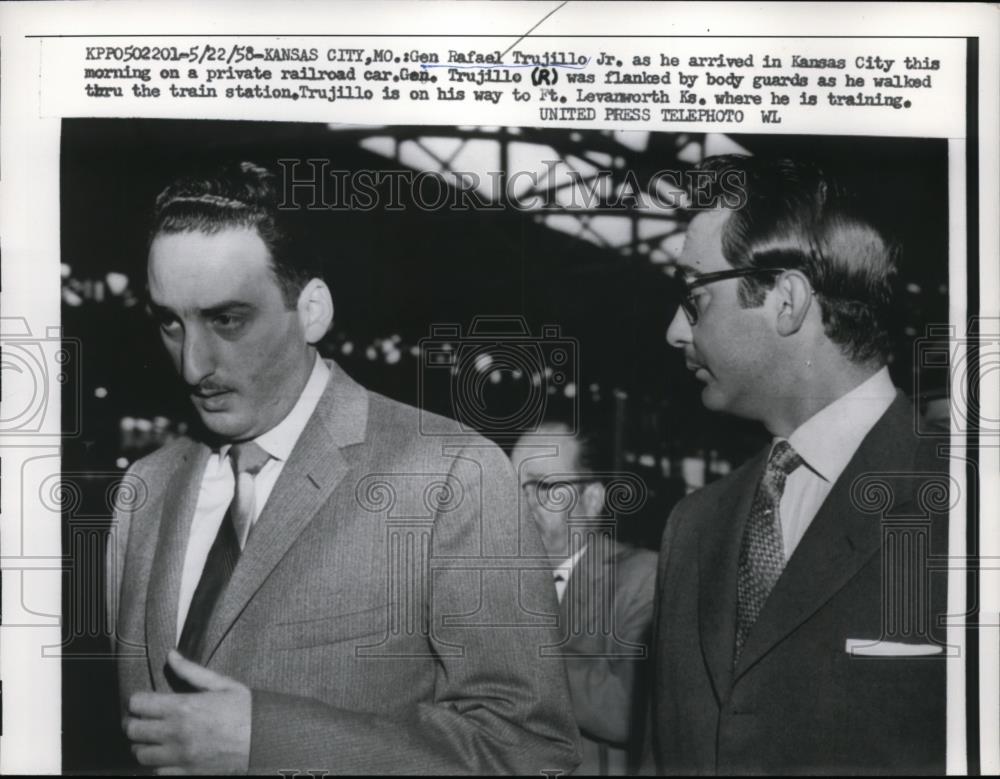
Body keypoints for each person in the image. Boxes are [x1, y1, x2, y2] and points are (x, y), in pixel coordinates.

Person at [106, 161, 581, 774]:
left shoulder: (451, 477)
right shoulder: (144, 490)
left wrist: (270, 741)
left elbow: (530, 751)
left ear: (312, 311)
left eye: (227, 320)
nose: (194, 365)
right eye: (170, 322)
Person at [646, 155, 951, 774]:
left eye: (693, 297)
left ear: (785, 299)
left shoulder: (969, 503)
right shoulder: (695, 526)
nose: (674, 330)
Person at [512, 418, 657, 775]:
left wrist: (512, 654)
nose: (520, 506)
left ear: (591, 499)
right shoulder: (491, 587)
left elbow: (632, 706)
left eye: (542, 487)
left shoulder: (642, 579)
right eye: (513, 489)